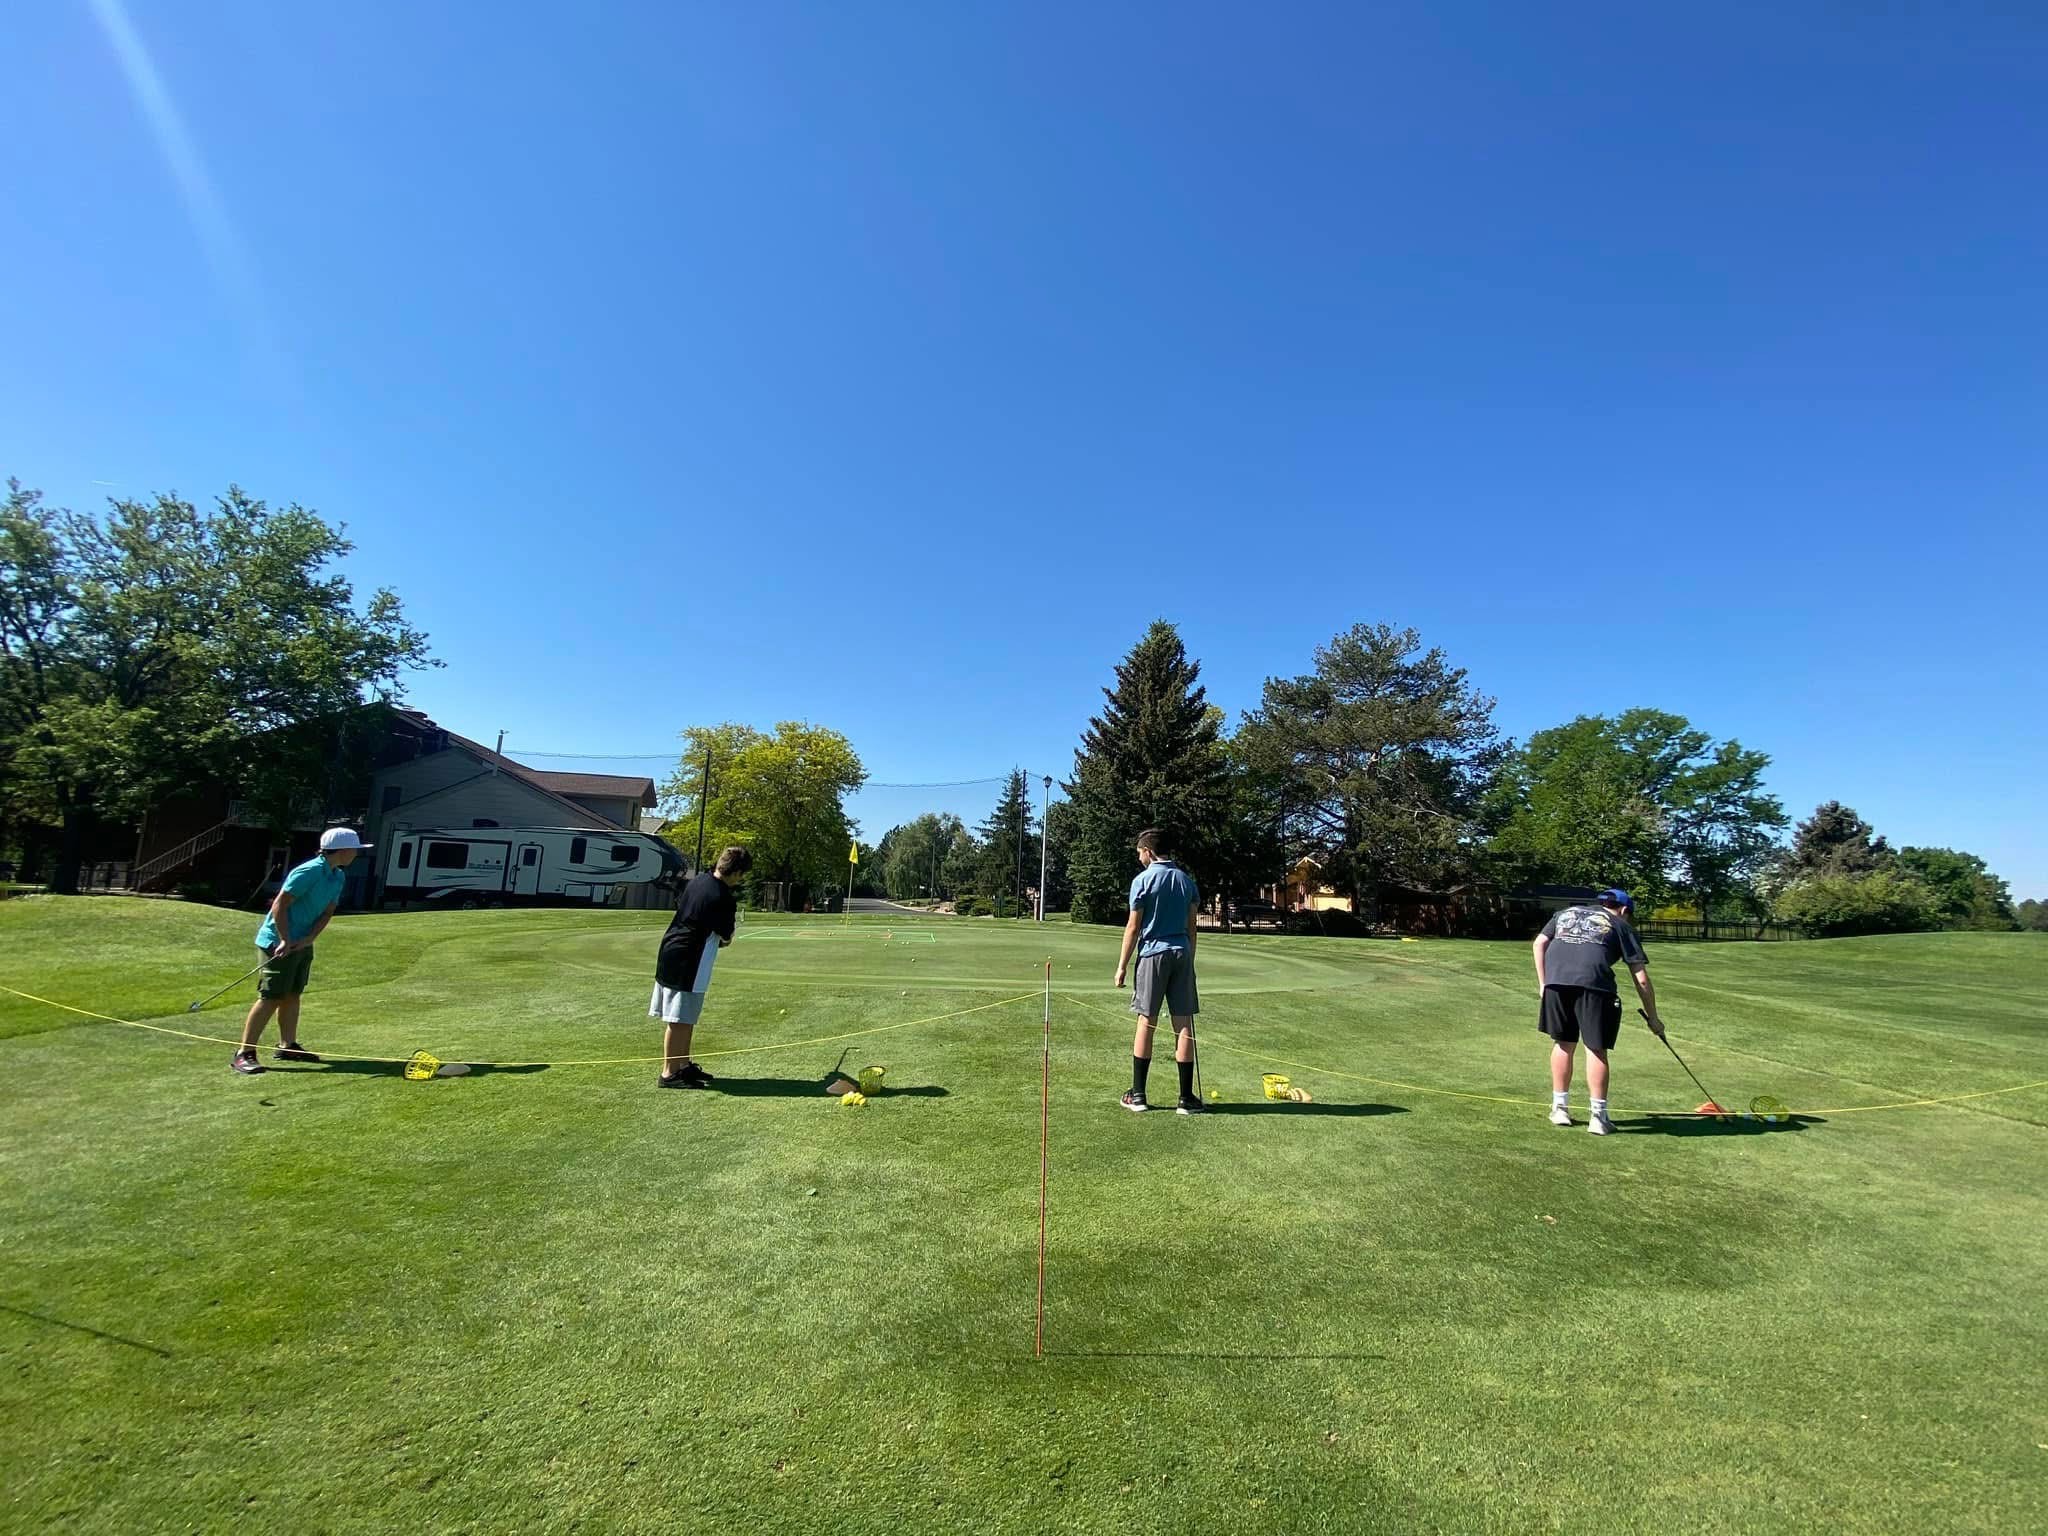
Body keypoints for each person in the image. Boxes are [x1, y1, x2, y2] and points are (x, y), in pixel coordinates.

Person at [231, 827, 367, 1075]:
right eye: (355, 849)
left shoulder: (337, 876)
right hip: (276, 940)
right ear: (344, 850)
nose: (357, 854)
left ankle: (287, 1045)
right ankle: (244, 1053)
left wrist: (309, 938)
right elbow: (280, 904)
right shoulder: (309, 871)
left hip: (302, 942)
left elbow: (327, 911)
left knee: (293, 993)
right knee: (271, 996)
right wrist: (285, 938)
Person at [1533, 888, 1663, 1134]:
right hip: (1595, 986)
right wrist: (1653, 1019)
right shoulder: (1620, 925)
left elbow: (1540, 943)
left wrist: (1544, 983)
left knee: (1563, 1043)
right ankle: (1598, 1118)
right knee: (1595, 1048)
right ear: (1624, 910)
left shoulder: (1564, 913)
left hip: (1557, 983)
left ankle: (1560, 1109)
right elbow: (1641, 979)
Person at [1113, 827, 1203, 1115]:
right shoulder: (1186, 881)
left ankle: (1138, 1095)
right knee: (1183, 1022)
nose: (1139, 856)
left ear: (1149, 852)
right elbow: (1192, 927)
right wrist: (1190, 959)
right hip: (1181, 953)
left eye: (1140, 851)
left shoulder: (1142, 880)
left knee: (1146, 1021)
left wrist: (1121, 967)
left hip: (1153, 954)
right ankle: (1186, 1099)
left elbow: (1133, 927)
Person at [651, 845, 752, 1088]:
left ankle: (683, 1066)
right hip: (689, 959)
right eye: (742, 874)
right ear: (736, 872)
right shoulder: (723, 897)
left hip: (672, 950)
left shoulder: (698, 881)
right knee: (679, 1018)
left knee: (686, 1017)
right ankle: (669, 1074)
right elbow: (726, 937)